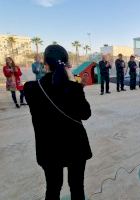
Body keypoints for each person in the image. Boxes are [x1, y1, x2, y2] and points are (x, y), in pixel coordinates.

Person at [24, 45, 92, 200]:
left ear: (45, 64)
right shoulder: (74, 87)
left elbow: (51, 88)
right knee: (76, 187)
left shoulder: (31, 89)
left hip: (48, 149)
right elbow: (86, 114)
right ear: (67, 64)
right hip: (75, 146)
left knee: (53, 188)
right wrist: (78, 87)